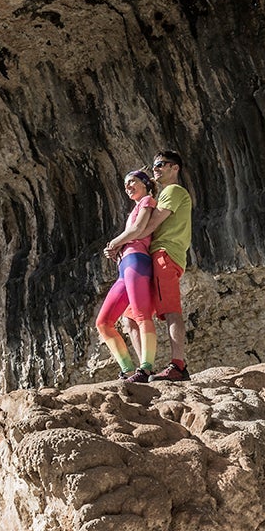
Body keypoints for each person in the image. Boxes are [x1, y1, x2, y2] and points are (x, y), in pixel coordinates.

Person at [130, 150, 193, 381]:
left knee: (171, 310)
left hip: (165, 253)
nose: (155, 168)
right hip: (157, 255)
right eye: (155, 165)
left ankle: (178, 366)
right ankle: (144, 368)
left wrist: (121, 242)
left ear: (175, 168)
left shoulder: (173, 191)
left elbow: (150, 226)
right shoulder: (164, 194)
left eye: (161, 164)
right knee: (133, 314)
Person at [95, 170, 159, 382]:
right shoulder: (136, 207)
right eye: (125, 184)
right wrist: (116, 249)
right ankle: (128, 370)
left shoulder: (147, 201)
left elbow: (139, 229)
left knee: (141, 315)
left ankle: (146, 368)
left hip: (137, 261)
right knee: (103, 322)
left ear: (145, 183)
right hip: (125, 266)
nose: (128, 187)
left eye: (132, 182)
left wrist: (115, 243)